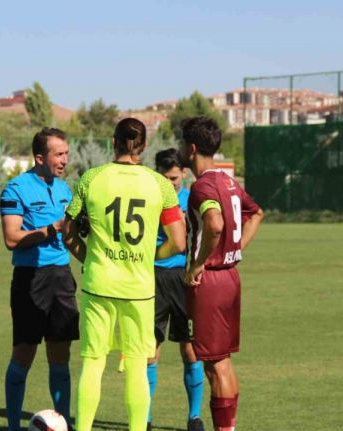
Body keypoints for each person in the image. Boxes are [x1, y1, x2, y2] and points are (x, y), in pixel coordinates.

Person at [62, 118, 186, 431]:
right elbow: (179, 241)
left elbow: (68, 233)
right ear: (143, 146)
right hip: (139, 289)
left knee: (93, 362)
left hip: (98, 284)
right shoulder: (159, 184)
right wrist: (148, 257)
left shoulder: (92, 178)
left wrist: (89, 257)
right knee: (135, 366)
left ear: (113, 142)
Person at [177, 117, 264, 431]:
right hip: (230, 276)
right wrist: (235, 248)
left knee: (216, 365)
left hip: (211, 281)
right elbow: (256, 213)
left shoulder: (202, 186)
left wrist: (199, 263)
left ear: (192, 148)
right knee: (222, 360)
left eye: (181, 142)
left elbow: (214, 224)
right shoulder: (228, 181)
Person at [0, 127, 77, 431]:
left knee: (61, 356)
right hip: (31, 279)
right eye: (59, 154)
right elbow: (11, 237)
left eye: (66, 154)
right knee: (24, 353)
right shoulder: (16, 188)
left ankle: (64, 423)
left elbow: (71, 238)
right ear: (39, 157)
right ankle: (12, 426)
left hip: (61, 277)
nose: (64, 160)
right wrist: (51, 229)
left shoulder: (65, 190)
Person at [147, 148, 204, 431]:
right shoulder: (148, 197)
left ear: (183, 172)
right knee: (150, 351)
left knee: (190, 350)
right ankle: (143, 419)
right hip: (154, 277)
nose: (170, 183)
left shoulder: (192, 199)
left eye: (174, 177)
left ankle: (194, 417)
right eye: (164, 177)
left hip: (184, 278)